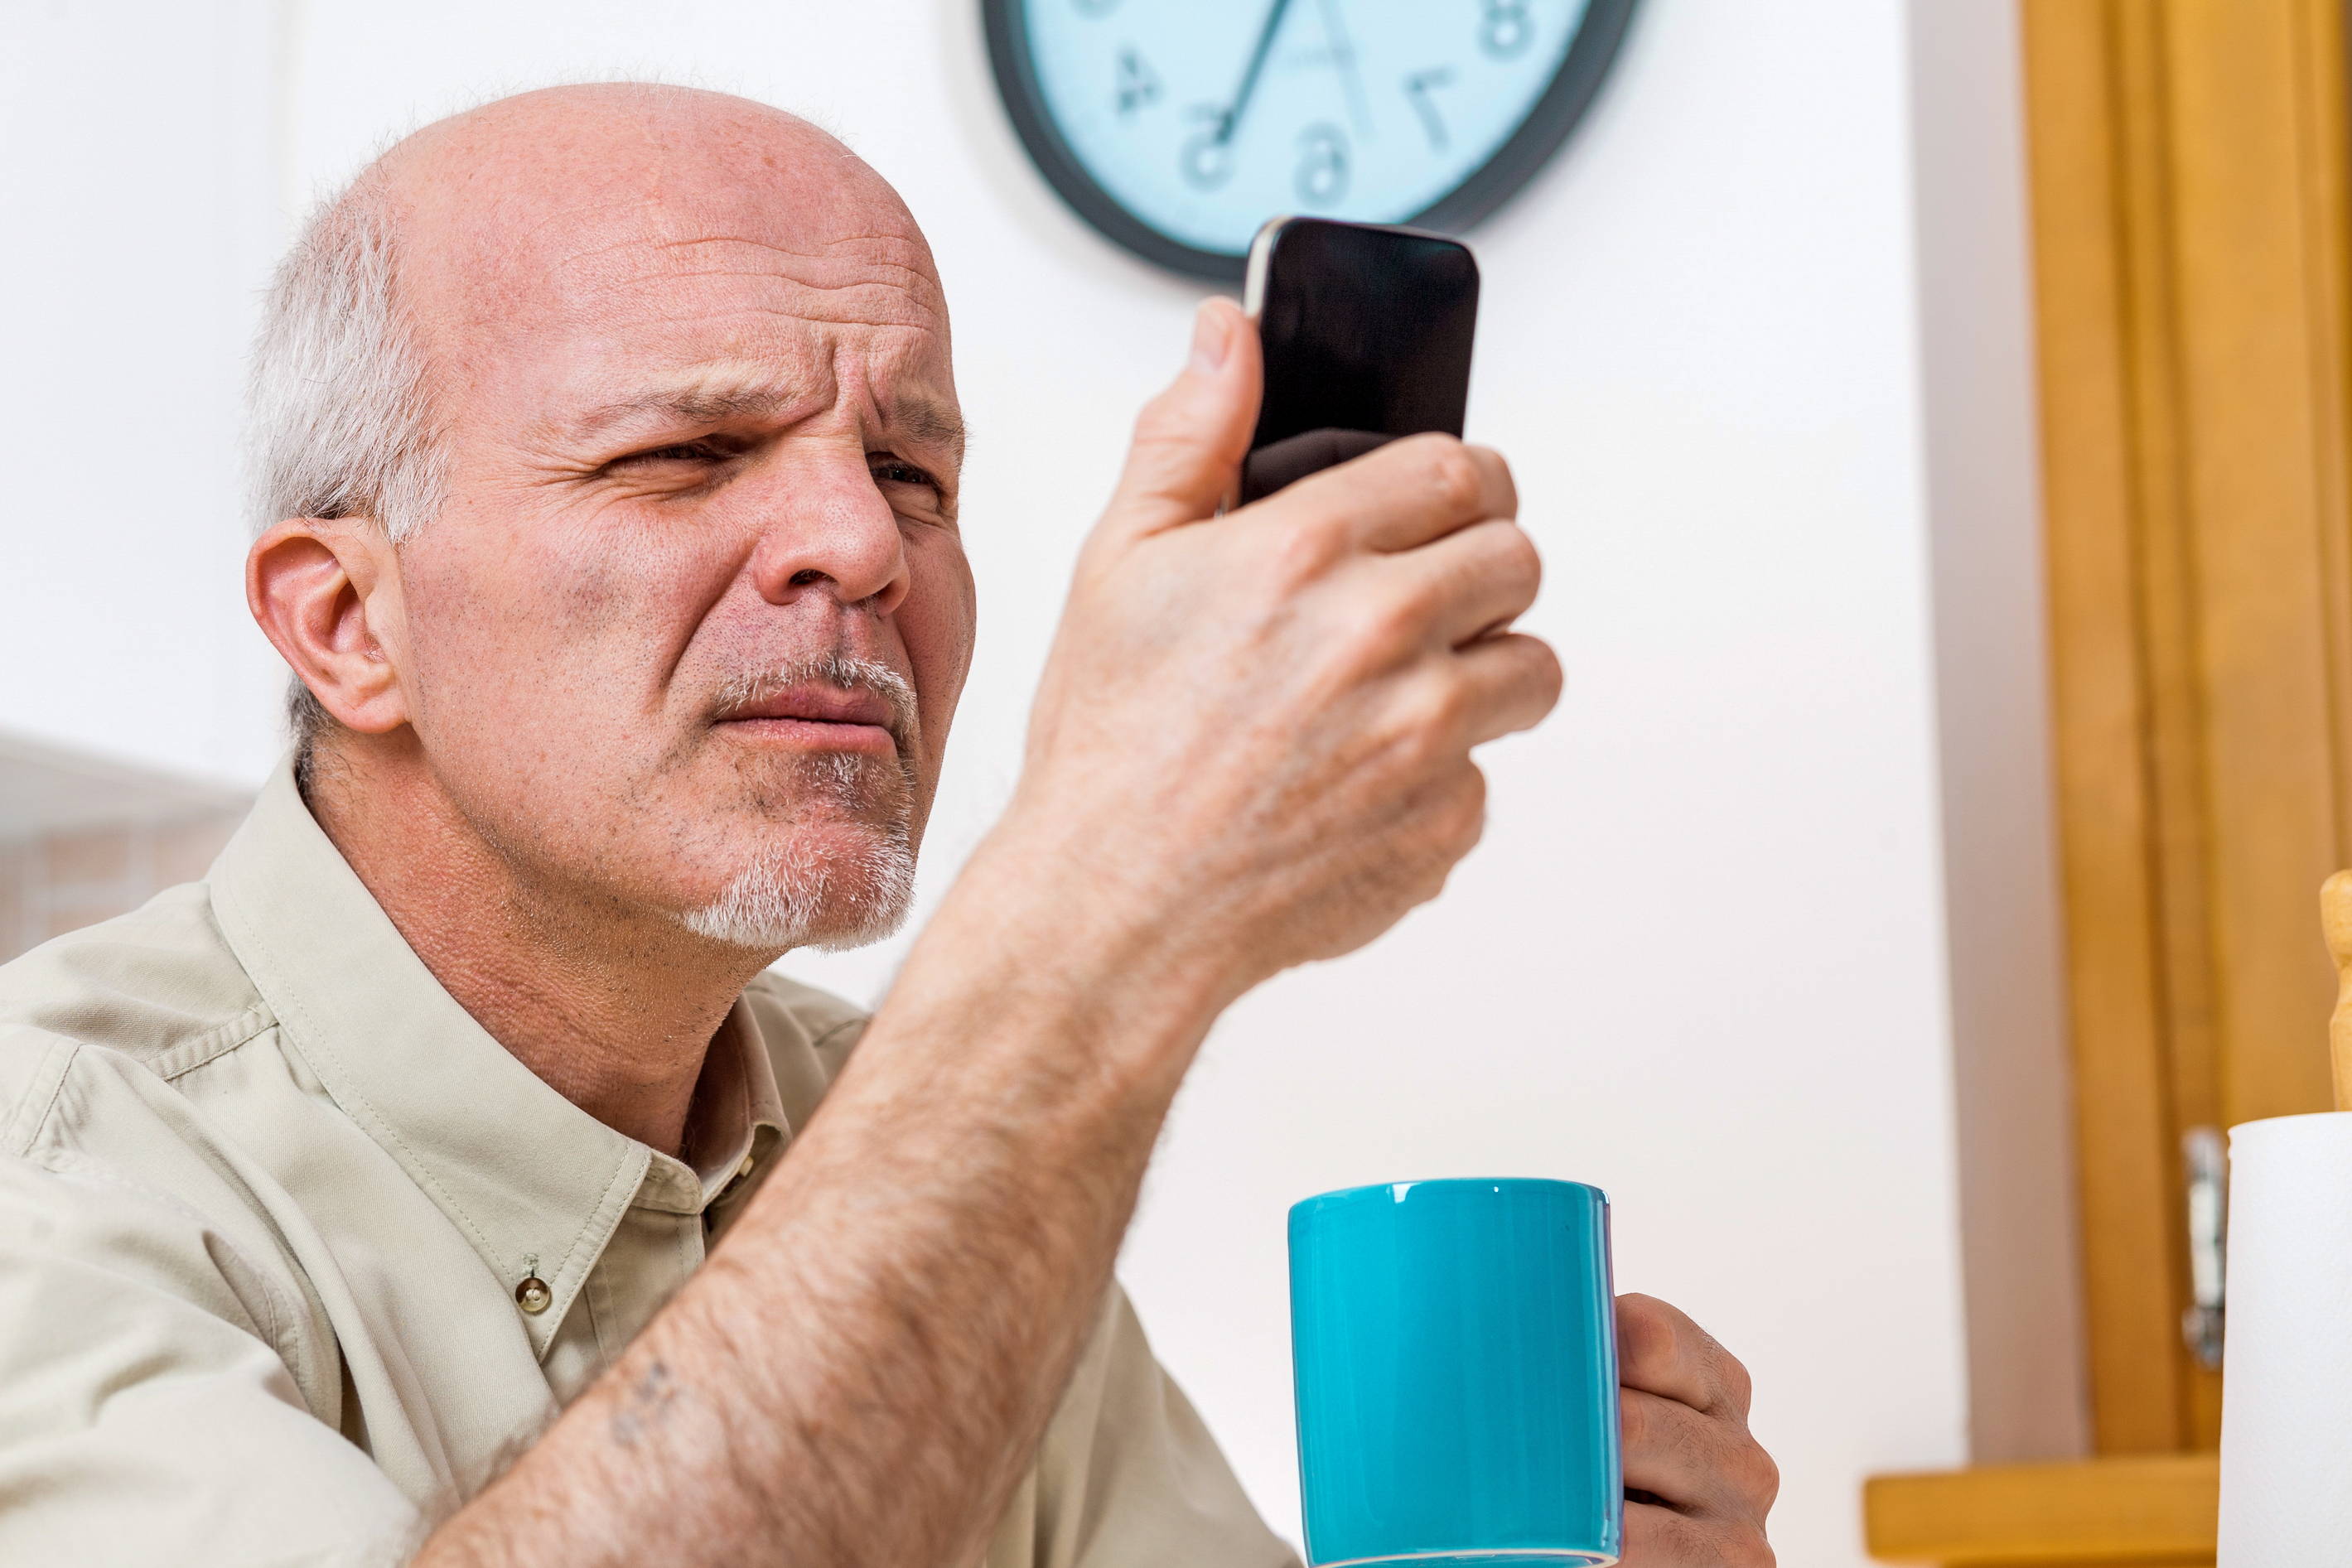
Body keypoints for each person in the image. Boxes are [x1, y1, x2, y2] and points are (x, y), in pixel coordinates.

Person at [0, 84, 1777, 1567]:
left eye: (913, 472)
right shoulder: (54, 1177)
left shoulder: (893, 1127)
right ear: (346, 624)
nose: (862, 546)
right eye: (687, 452)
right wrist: (1101, 912)